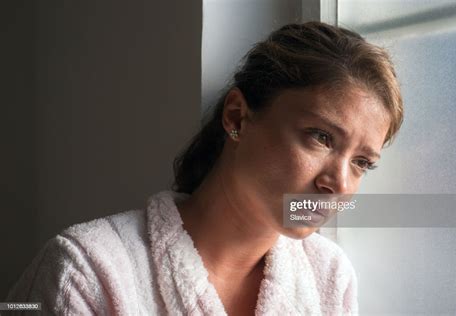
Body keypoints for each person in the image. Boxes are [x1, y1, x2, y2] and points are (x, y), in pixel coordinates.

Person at [7, 21, 403, 315]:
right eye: (321, 137)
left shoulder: (329, 276)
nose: (338, 183)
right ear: (237, 117)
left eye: (362, 163)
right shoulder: (86, 269)